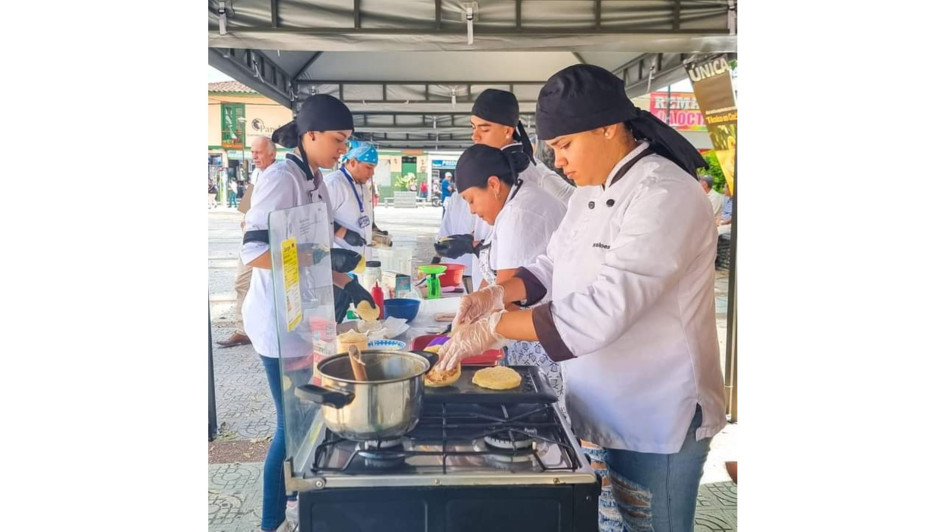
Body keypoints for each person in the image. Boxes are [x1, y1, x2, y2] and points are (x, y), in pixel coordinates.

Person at [436, 64, 726, 532]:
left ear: (609, 127)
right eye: (553, 149)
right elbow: (551, 265)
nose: (559, 162)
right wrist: (495, 295)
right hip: (602, 400)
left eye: (565, 146)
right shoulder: (587, 193)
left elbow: (605, 307)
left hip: (656, 411)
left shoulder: (665, 193)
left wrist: (496, 327)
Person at [241, 94, 375, 532]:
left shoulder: (314, 175)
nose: (343, 149)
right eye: (338, 140)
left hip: (305, 318)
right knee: (291, 424)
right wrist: (312, 265)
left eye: (347, 141)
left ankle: (301, 502)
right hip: (278, 322)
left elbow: (312, 248)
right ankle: (271, 520)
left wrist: (344, 283)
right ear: (310, 135)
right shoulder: (281, 177)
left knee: (308, 417)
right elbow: (255, 253)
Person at [452, 143, 567, 398]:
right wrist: (476, 303)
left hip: (542, 343)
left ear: (493, 185)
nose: (471, 210)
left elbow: (508, 299)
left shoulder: (519, 214)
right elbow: (497, 285)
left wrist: (479, 328)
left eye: (471, 200)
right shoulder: (514, 202)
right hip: (529, 332)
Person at [218, 136, 278, 348]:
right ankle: (243, 330)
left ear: (272, 154)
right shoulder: (257, 173)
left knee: (262, 287)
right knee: (242, 283)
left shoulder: (280, 177)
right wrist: (246, 218)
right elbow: (249, 201)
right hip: (251, 238)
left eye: (259, 152)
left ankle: (256, 330)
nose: (254, 156)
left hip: (269, 242)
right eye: (252, 152)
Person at [324, 140, 378, 256]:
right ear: (353, 162)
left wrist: (373, 229)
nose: (372, 172)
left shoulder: (362, 185)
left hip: (362, 257)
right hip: (341, 258)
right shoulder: (334, 184)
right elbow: (319, 217)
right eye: (369, 167)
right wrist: (344, 233)